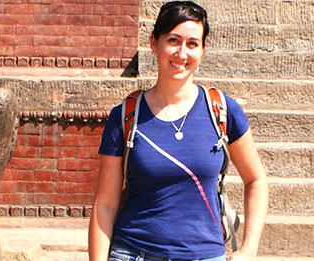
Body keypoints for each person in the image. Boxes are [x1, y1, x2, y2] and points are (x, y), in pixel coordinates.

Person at [88, 1, 269, 261]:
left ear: (203, 49)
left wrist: (249, 249)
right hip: (134, 253)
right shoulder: (126, 116)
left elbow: (256, 181)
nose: (182, 54)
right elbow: (105, 204)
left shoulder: (221, 110)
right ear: (154, 43)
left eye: (193, 44)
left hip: (205, 254)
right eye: (173, 40)